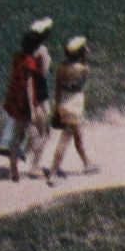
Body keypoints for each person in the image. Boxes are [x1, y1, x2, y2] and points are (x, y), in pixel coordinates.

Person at [1, 23, 53, 184]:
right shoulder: (36, 58)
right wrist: (33, 109)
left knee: (16, 136)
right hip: (30, 102)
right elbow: (35, 81)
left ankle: (13, 169)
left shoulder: (18, 57)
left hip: (16, 103)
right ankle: (34, 166)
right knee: (43, 132)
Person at [46, 35, 93, 181]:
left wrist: (57, 107)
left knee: (78, 137)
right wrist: (85, 57)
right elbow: (85, 76)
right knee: (65, 140)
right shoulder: (84, 69)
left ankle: (87, 163)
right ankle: (53, 173)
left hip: (64, 104)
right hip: (75, 107)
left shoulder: (61, 68)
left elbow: (58, 88)